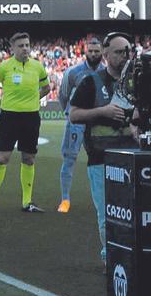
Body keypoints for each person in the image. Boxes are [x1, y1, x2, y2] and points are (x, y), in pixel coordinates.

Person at [69, 32, 138, 261]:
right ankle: (111, 259)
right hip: (101, 159)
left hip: (134, 158)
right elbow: (74, 115)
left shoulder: (138, 82)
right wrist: (103, 111)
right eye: (119, 52)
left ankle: (134, 258)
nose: (125, 56)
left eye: (128, 51)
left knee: (136, 211)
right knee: (107, 215)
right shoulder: (91, 82)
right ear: (106, 55)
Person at [0, 32, 51, 214]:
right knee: (2, 158)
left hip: (31, 117)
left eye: (27, 45)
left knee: (28, 158)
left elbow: (47, 87)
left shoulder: (38, 66)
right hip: (9, 117)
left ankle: (27, 202)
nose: (25, 48)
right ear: (12, 48)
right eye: (21, 46)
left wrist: (34, 99)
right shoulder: (5, 67)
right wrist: (1, 103)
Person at [56, 38, 103, 213]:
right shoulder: (73, 72)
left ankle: (100, 198)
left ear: (102, 52)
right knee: (69, 159)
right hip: (75, 123)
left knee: (99, 160)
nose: (93, 54)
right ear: (85, 51)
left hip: (96, 123)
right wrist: (69, 114)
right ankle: (65, 199)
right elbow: (63, 95)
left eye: (96, 51)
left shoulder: (105, 72)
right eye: (90, 51)